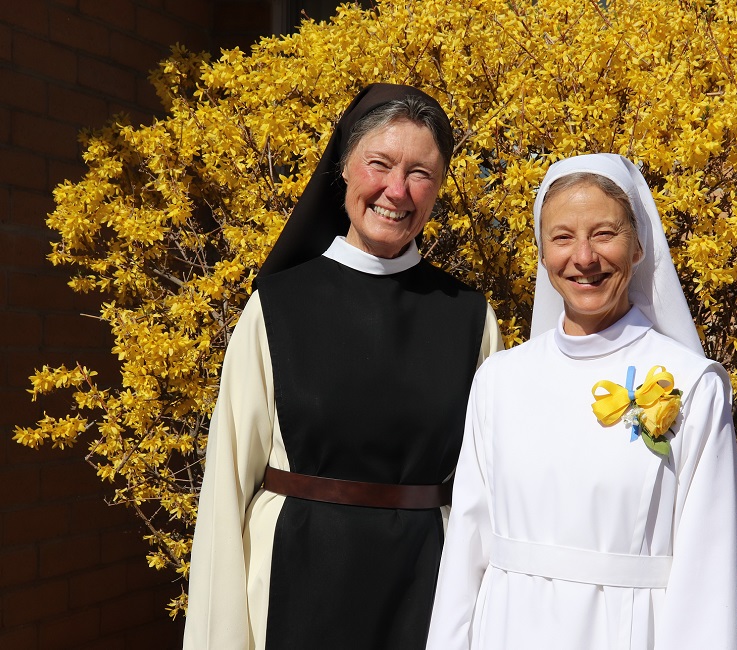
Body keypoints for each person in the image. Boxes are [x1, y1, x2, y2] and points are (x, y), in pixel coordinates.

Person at [183, 83, 503, 650]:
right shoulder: (277, 307)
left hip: (423, 591)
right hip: (293, 585)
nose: (397, 191)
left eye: (421, 174)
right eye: (379, 164)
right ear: (344, 170)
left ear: (439, 190)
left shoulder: (470, 320)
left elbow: (490, 495)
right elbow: (228, 484)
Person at [426, 153, 737, 649]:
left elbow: (709, 572)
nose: (584, 257)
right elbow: (466, 552)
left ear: (639, 246)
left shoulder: (692, 385)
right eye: (562, 237)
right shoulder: (499, 381)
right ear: (542, 252)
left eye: (604, 233)